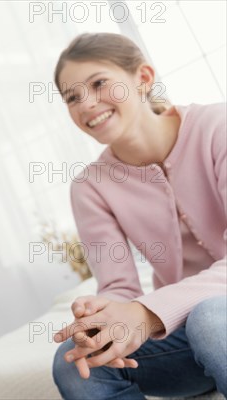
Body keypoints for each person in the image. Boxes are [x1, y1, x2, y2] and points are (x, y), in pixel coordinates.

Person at [50, 32, 226, 399]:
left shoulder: (218, 128)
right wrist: (101, 314)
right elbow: (119, 287)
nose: (87, 104)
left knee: (210, 319)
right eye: (72, 97)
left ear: (143, 78)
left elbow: (150, 310)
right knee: (76, 365)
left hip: (212, 324)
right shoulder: (90, 186)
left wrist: (147, 313)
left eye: (99, 83)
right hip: (191, 334)